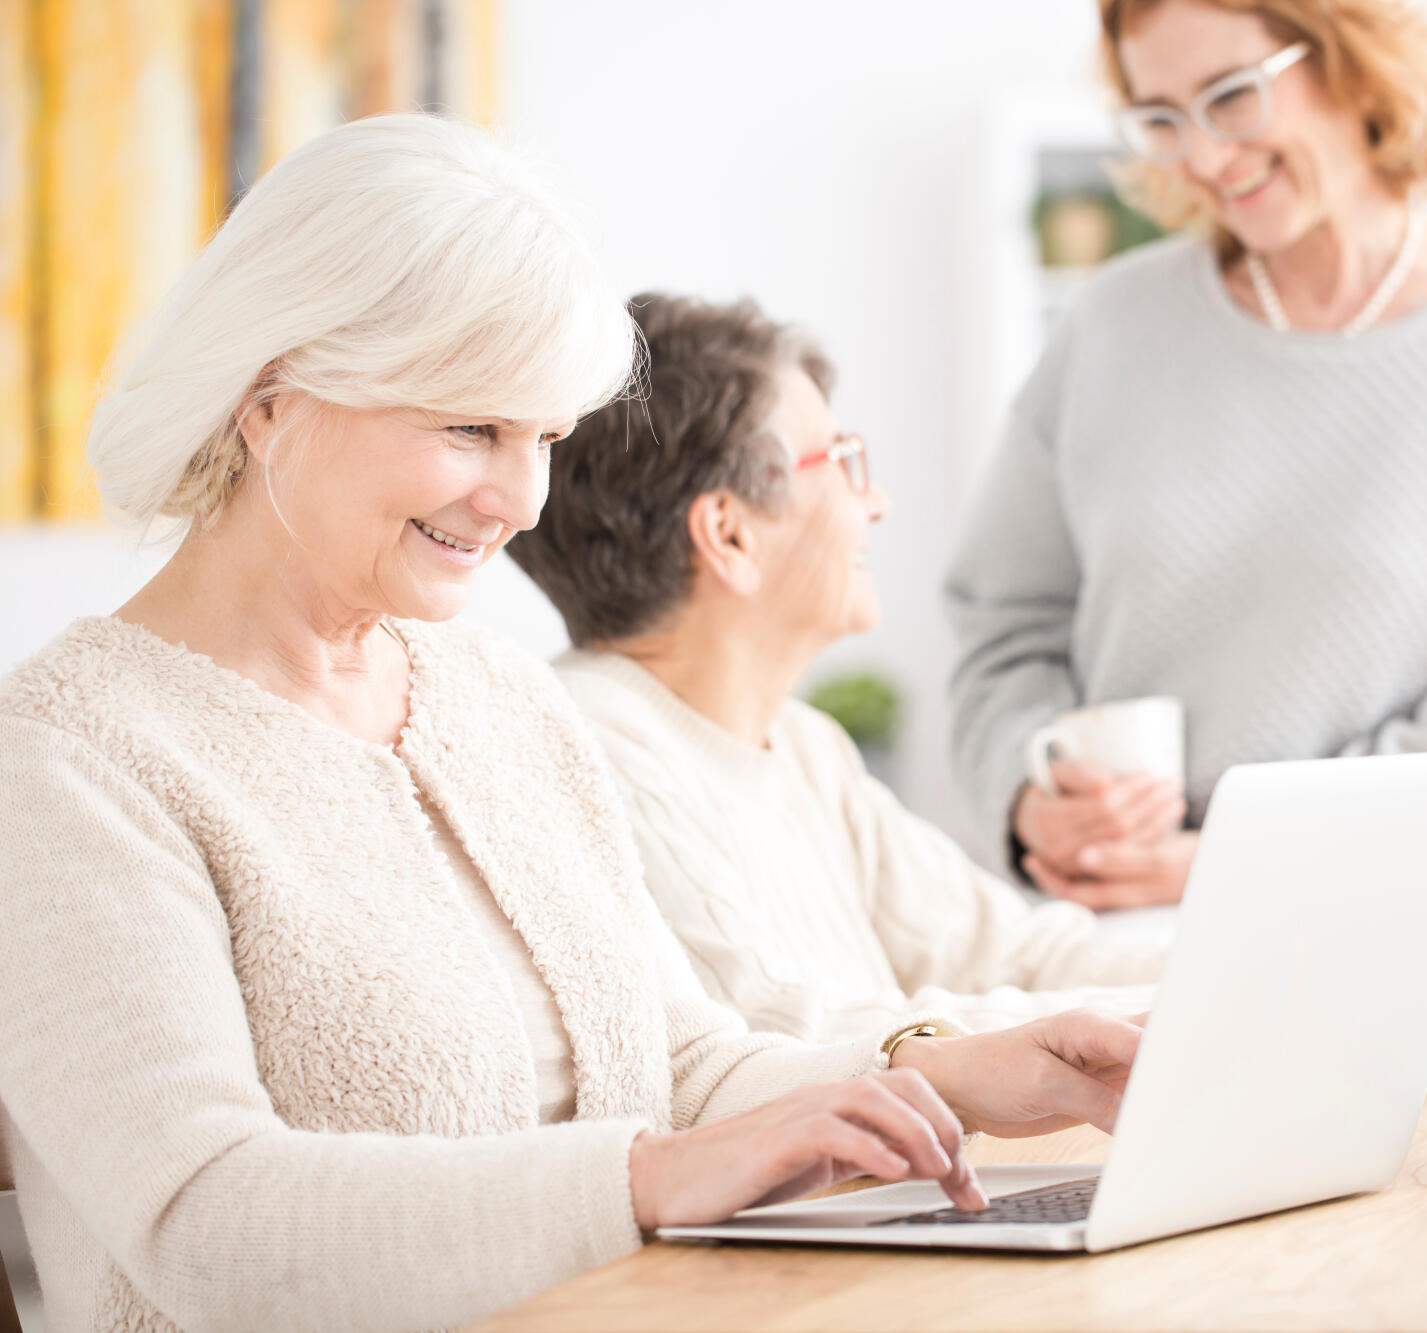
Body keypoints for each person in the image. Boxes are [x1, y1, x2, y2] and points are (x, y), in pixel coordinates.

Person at [0, 115, 1142, 1333]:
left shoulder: (497, 697)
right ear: (271, 399)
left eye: (541, 435)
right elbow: (204, 1222)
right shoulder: (75, 757)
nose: (517, 498)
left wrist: (950, 1071)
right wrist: (644, 1181)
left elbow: (683, 1063)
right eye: (467, 427)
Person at [945, 0, 1427, 909]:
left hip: (1379, 933)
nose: (1201, 155)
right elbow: (1003, 632)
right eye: (1161, 118)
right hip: (1106, 948)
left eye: (1230, 97)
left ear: (1354, 57)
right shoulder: (1114, 328)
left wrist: (1247, 853)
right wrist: (1033, 794)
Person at [506, 293, 1164, 1043]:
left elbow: (1012, 952)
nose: (876, 501)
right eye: (845, 462)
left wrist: (1216, 972)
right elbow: (791, 1038)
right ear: (730, 533)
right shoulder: (590, 751)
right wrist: (1153, 1016)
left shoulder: (806, 746)